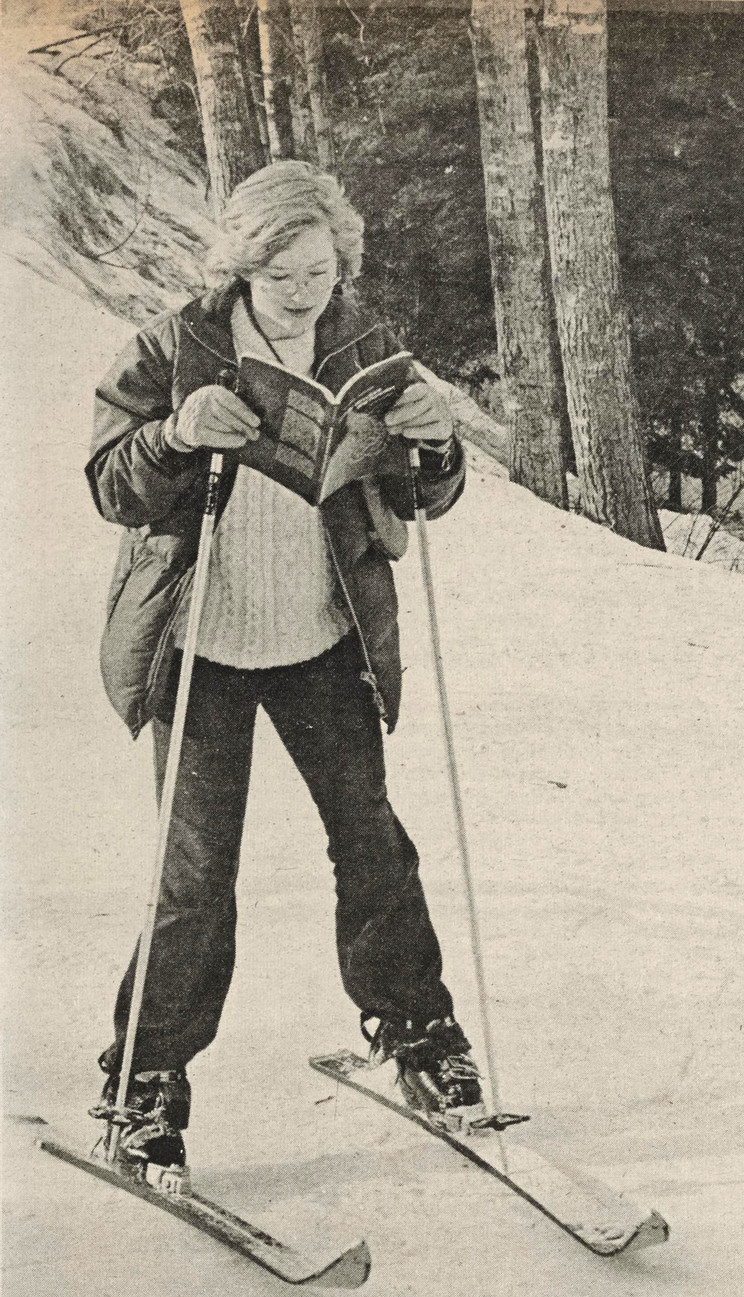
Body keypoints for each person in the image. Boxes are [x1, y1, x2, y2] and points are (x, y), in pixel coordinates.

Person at [86, 161, 483, 1178]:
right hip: (202, 644)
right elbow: (110, 485)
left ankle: (418, 1031)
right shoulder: (174, 347)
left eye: (318, 271)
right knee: (196, 875)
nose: (302, 292)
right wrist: (176, 433)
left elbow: (421, 494)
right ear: (240, 266)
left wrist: (436, 446)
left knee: (372, 841)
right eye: (279, 275)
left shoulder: (366, 352)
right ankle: (144, 1082)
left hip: (321, 637)